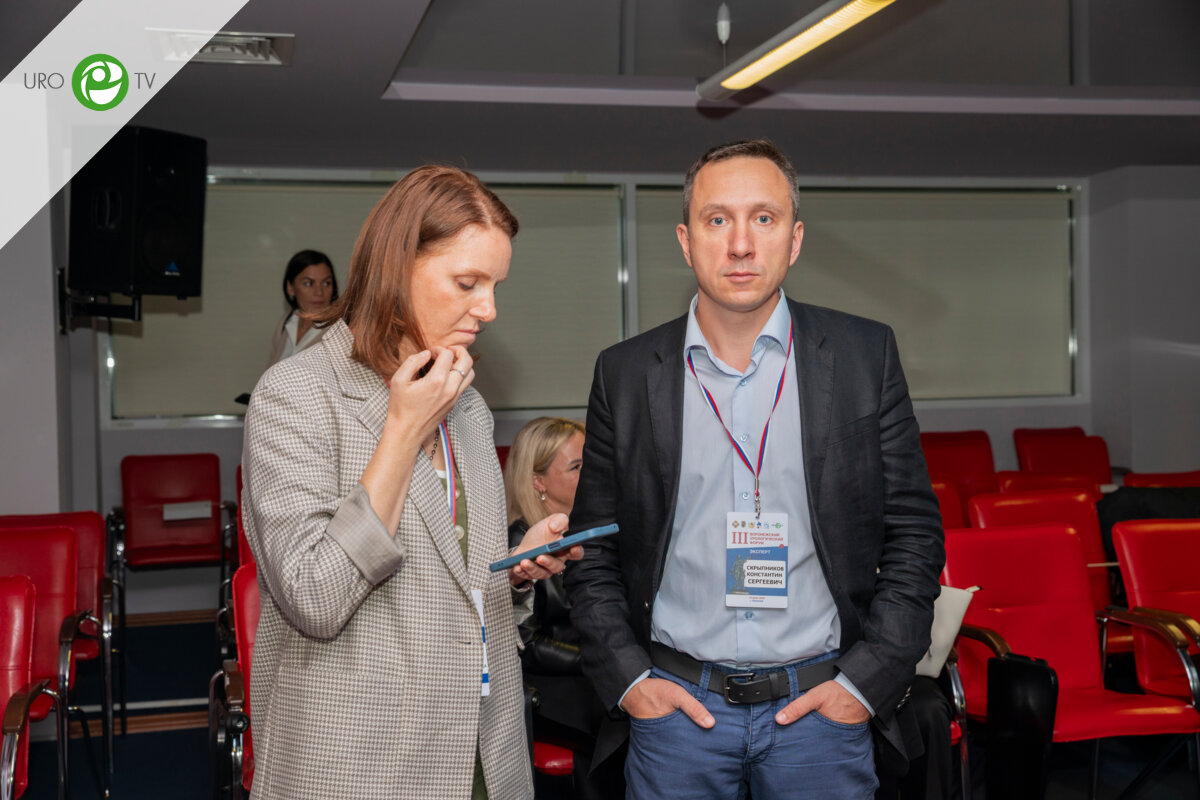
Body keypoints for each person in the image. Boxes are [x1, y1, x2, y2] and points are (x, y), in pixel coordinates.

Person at [565, 139, 945, 799]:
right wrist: (630, 682)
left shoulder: (864, 356)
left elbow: (914, 534)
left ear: (794, 239)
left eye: (763, 219)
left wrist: (867, 681)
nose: (740, 244)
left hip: (821, 712)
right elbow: (592, 548)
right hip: (677, 716)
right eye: (717, 220)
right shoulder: (624, 374)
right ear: (686, 241)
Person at [242, 165, 581, 800]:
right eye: (467, 283)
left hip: (484, 747)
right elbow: (315, 598)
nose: (488, 309)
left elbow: (457, 582)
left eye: (495, 286)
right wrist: (401, 432)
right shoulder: (295, 395)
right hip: (362, 761)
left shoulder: (467, 406)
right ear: (397, 268)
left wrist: (513, 570)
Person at [503, 417, 627, 799]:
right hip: (551, 685)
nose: (591, 473)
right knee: (623, 716)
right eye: (577, 466)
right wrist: (601, 658)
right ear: (538, 481)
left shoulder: (591, 530)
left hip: (587, 672)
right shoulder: (521, 542)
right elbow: (527, 641)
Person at [267, 249, 339, 365]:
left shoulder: (339, 331)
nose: (319, 292)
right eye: (308, 283)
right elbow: (270, 371)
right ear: (290, 288)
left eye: (326, 283)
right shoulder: (286, 322)